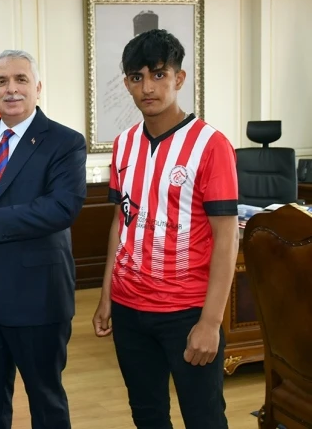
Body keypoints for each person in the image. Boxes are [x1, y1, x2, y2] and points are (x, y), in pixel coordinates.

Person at [92, 29, 238, 429]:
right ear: (126, 83)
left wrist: (210, 322)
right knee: (147, 414)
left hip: (186, 311)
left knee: (204, 418)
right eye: (137, 77)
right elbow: (121, 221)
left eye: (159, 74)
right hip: (129, 308)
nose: (148, 87)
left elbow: (227, 238)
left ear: (179, 78)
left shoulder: (211, 145)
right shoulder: (123, 144)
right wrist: (107, 294)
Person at [0, 49, 87, 429]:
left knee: (46, 402)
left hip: (37, 296)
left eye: (20, 80)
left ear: (37, 87)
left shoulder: (65, 142)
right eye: (1, 81)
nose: (11, 89)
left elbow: (62, 208)